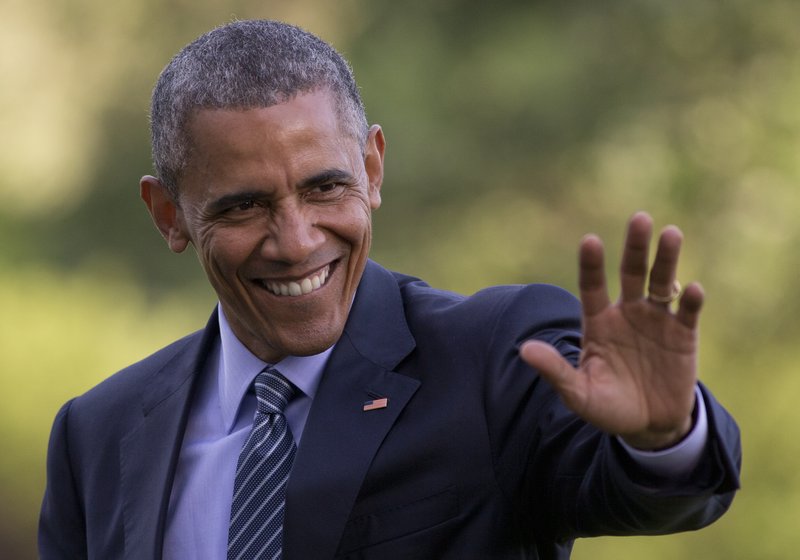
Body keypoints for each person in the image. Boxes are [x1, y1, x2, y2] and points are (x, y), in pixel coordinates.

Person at [39, 19, 741, 560]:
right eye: (244, 206)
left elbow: (650, 497)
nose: (297, 240)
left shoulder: (495, 359)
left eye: (325, 187)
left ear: (372, 168)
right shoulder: (96, 433)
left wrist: (664, 439)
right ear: (169, 214)